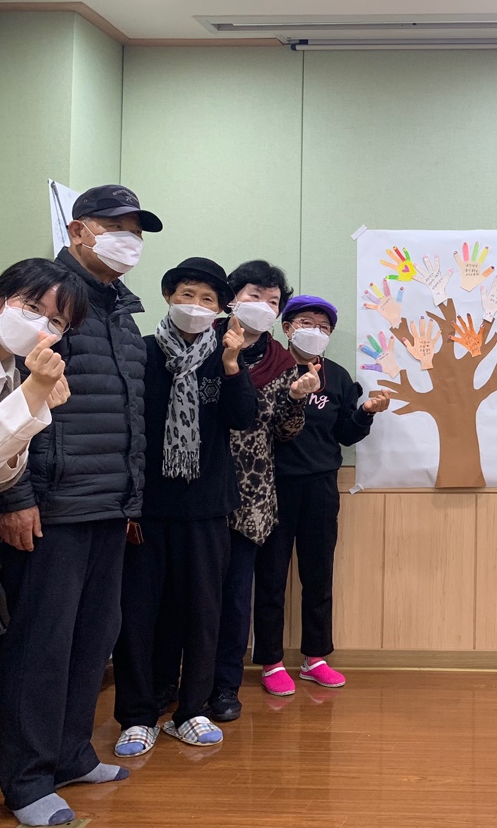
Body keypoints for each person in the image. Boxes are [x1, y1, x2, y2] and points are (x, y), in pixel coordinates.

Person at [0, 185, 162, 827]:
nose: (128, 241)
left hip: (108, 505)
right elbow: (6, 401)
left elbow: (130, 415)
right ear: (79, 229)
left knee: (93, 638)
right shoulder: (46, 301)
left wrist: (131, 499)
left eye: (136, 231)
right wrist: (15, 497)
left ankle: (71, 754)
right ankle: (28, 781)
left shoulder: (124, 314)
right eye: (116, 227)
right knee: (44, 645)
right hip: (50, 505)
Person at [111, 258, 257, 758]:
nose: (195, 306)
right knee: (138, 616)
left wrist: (233, 365)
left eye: (207, 299)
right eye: (187, 295)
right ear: (169, 297)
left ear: (220, 310)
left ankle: (191, 710)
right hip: (146, 509)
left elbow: (243, 419)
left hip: (206, 509)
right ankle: (137, 716)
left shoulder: (224, 357)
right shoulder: (142, 352)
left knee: (202, 613)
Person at [252, 295, 391, 696]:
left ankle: (315, 658)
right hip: (273, 486)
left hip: (321, 487)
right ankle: (271, 662)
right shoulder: (268, 369)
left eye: (323, 326)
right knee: (271, 577)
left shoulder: (339, 377)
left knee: (318, 574)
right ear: (287, 328)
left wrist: (366, 412)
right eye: (306, 323)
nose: (315, 331)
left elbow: (344, 434)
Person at [205, 261, 319, 723]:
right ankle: (177, 684)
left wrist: (297, 399)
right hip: (196, 489)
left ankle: (224, 687)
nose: (264, 306)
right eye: (256, 295)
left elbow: (286, 432)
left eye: (273, 301)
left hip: (250, 497)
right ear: (232, 298)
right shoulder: (202, 343)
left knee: (236, 599)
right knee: (189, 594)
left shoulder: (282, 363)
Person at [0, 260, 84, 562]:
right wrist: (34, 392)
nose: (41, 324)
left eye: (56, 321)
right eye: (33, 307)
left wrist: (35, 403)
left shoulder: (9, 367)